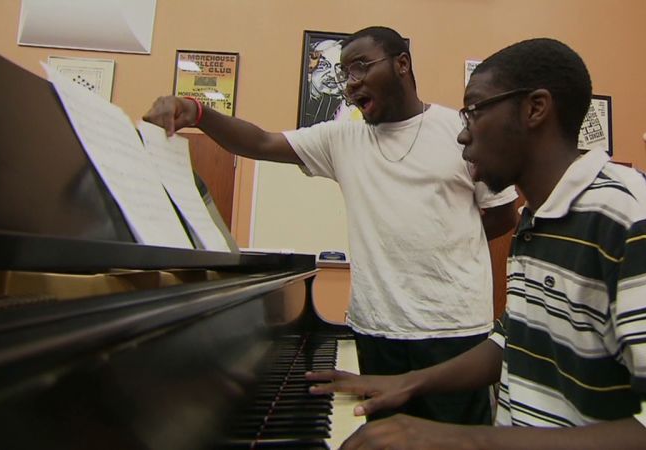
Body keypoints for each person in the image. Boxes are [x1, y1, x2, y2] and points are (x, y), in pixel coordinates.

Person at [306, 38, 646, 449]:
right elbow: (514, 340)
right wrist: (408, 382)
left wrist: (459, 439)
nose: (463, 133)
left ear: (535, 109)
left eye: (475, 111)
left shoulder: (636, 213)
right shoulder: (535, 222)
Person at [143, 26, 518, 426]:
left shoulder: (457, 131)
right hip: (377, 330)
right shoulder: (342, 139)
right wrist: (198, 112)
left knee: (456, 440)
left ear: (402, 64)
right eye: (345, 74)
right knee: (383, 437)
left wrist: (445, 241)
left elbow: (502, 215)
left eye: (360, 68)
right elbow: (260, 142)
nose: (350, 84)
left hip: (455, 332)